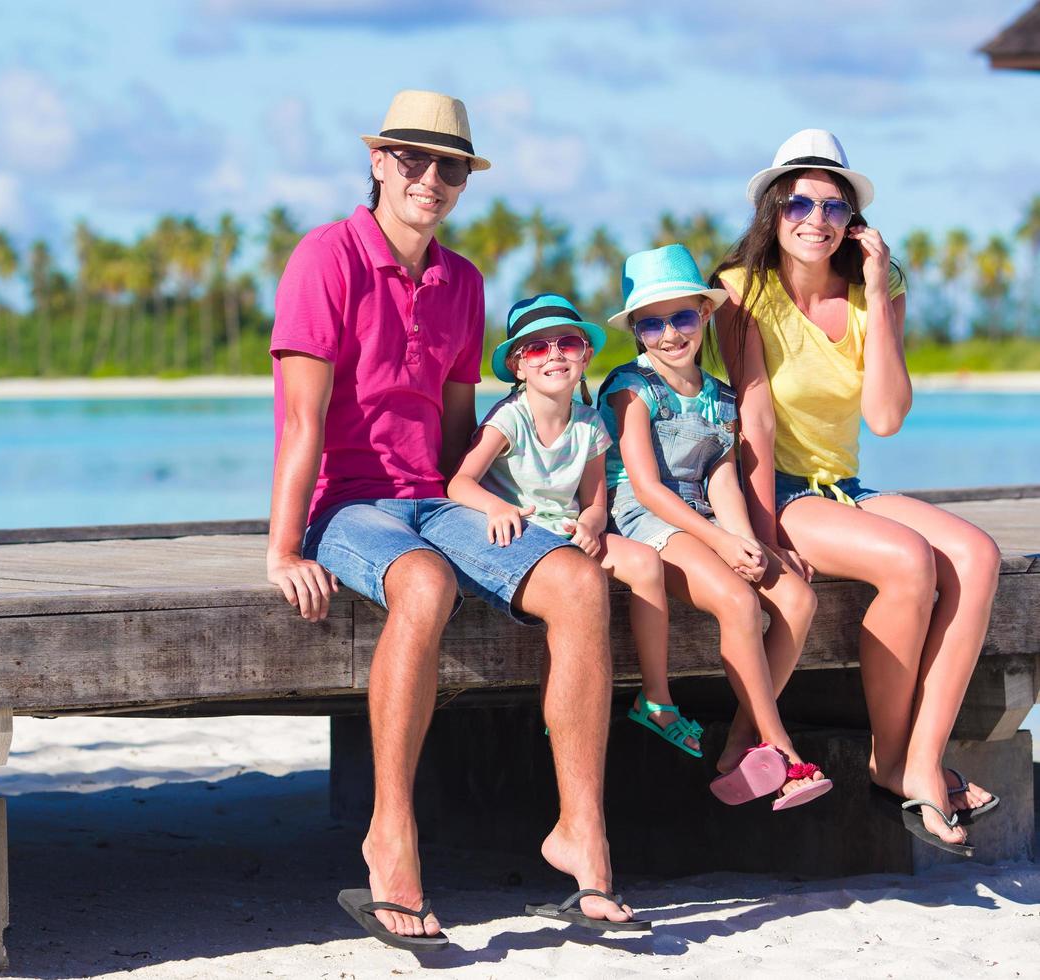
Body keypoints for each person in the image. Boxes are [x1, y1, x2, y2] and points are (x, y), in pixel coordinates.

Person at [267, 90, 644, 949]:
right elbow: (302, 423)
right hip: (348, 504)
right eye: (412, 160)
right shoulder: (324, 258)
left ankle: (581, 831)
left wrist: (513, 517)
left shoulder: (464, 281)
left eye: (449, 167)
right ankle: (389, 835)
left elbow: (454, 429)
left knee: (581, 583)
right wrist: (283, 547)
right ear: (377, 162)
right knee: (427, 585)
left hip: (434, 500)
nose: (429, 179)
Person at [714, 130, 1001, 853]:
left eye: (834, 205)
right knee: (909, 560)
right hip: (776, 489)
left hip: (843, 484)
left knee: (975, 553)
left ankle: (916, 761)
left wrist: (876, 288)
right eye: (800, 202)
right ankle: (898, 765)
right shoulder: (741, 289)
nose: (817, 218)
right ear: (773, 211)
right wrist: (762, 529)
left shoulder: (880, 291)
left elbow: (885, 416)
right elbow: (752, 418)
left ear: (855, 221)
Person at [600, 244, 828, 810]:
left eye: (681, 317)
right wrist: (720, 544)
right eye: (652, 323)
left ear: (705, 314)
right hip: (643, 518)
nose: (670, 334)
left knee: (797, 599)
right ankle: (784, 753)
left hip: (702, 519)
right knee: (737, 601)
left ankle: (741, 743)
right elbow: (647, 488)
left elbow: (723, 479)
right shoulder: (630, 387)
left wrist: (747, 542)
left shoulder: (720, 398)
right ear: (637, 330)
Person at [448, 293, 702, 758]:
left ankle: (657, 696)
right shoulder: (509, 418)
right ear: (519, 367)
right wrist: (496, 508)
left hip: (566, 532)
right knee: (573, 591)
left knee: (646, 562)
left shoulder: (589, 424)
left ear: (586, 356)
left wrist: (590, 523)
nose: (555, 355)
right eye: (538, 349)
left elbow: (595, 502)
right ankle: (561, 711)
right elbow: (459, 483)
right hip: (521, 537)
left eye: (567, 343)